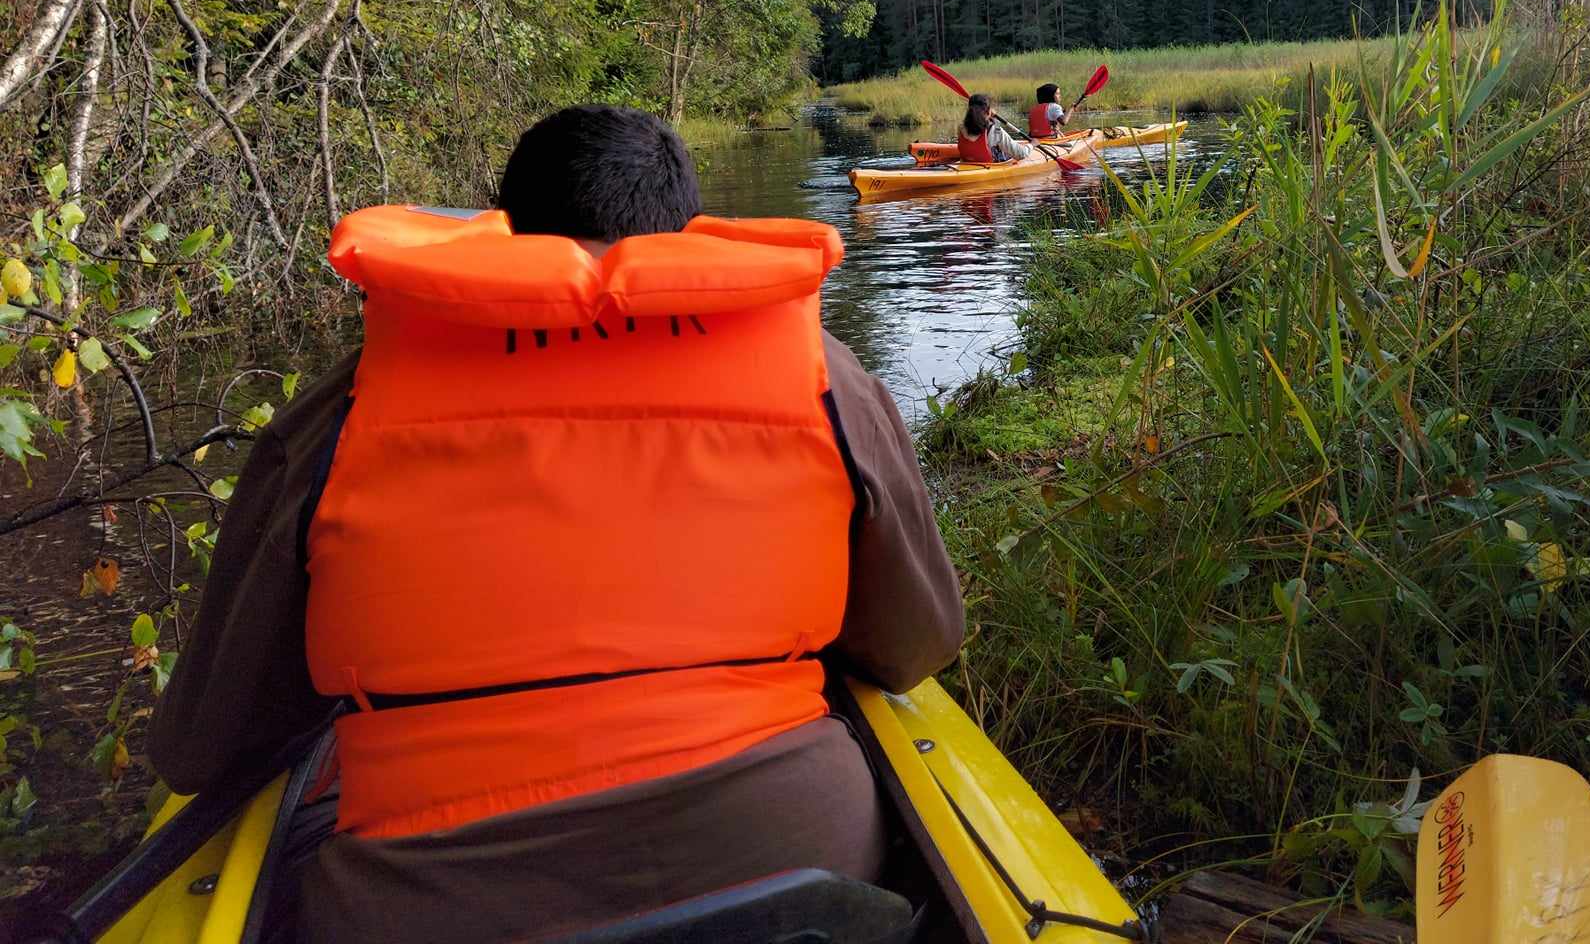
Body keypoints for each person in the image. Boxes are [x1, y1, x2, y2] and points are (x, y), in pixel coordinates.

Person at [151, 105, 964, 944]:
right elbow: (917, 644)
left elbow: (199, 749)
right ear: (681, 231)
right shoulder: (827, 379)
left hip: (422, 904)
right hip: (798, 857)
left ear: (507, 229)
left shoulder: (341, 411)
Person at [955, 91, 1023, 163]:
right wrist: (1032, 145)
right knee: (1001, 149)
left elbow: (982, 124)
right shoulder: (995, 130)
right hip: (988, 167)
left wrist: (990, 116)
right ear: (988, 111)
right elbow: (1021, 154)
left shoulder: (961, 127)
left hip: (967, 163)